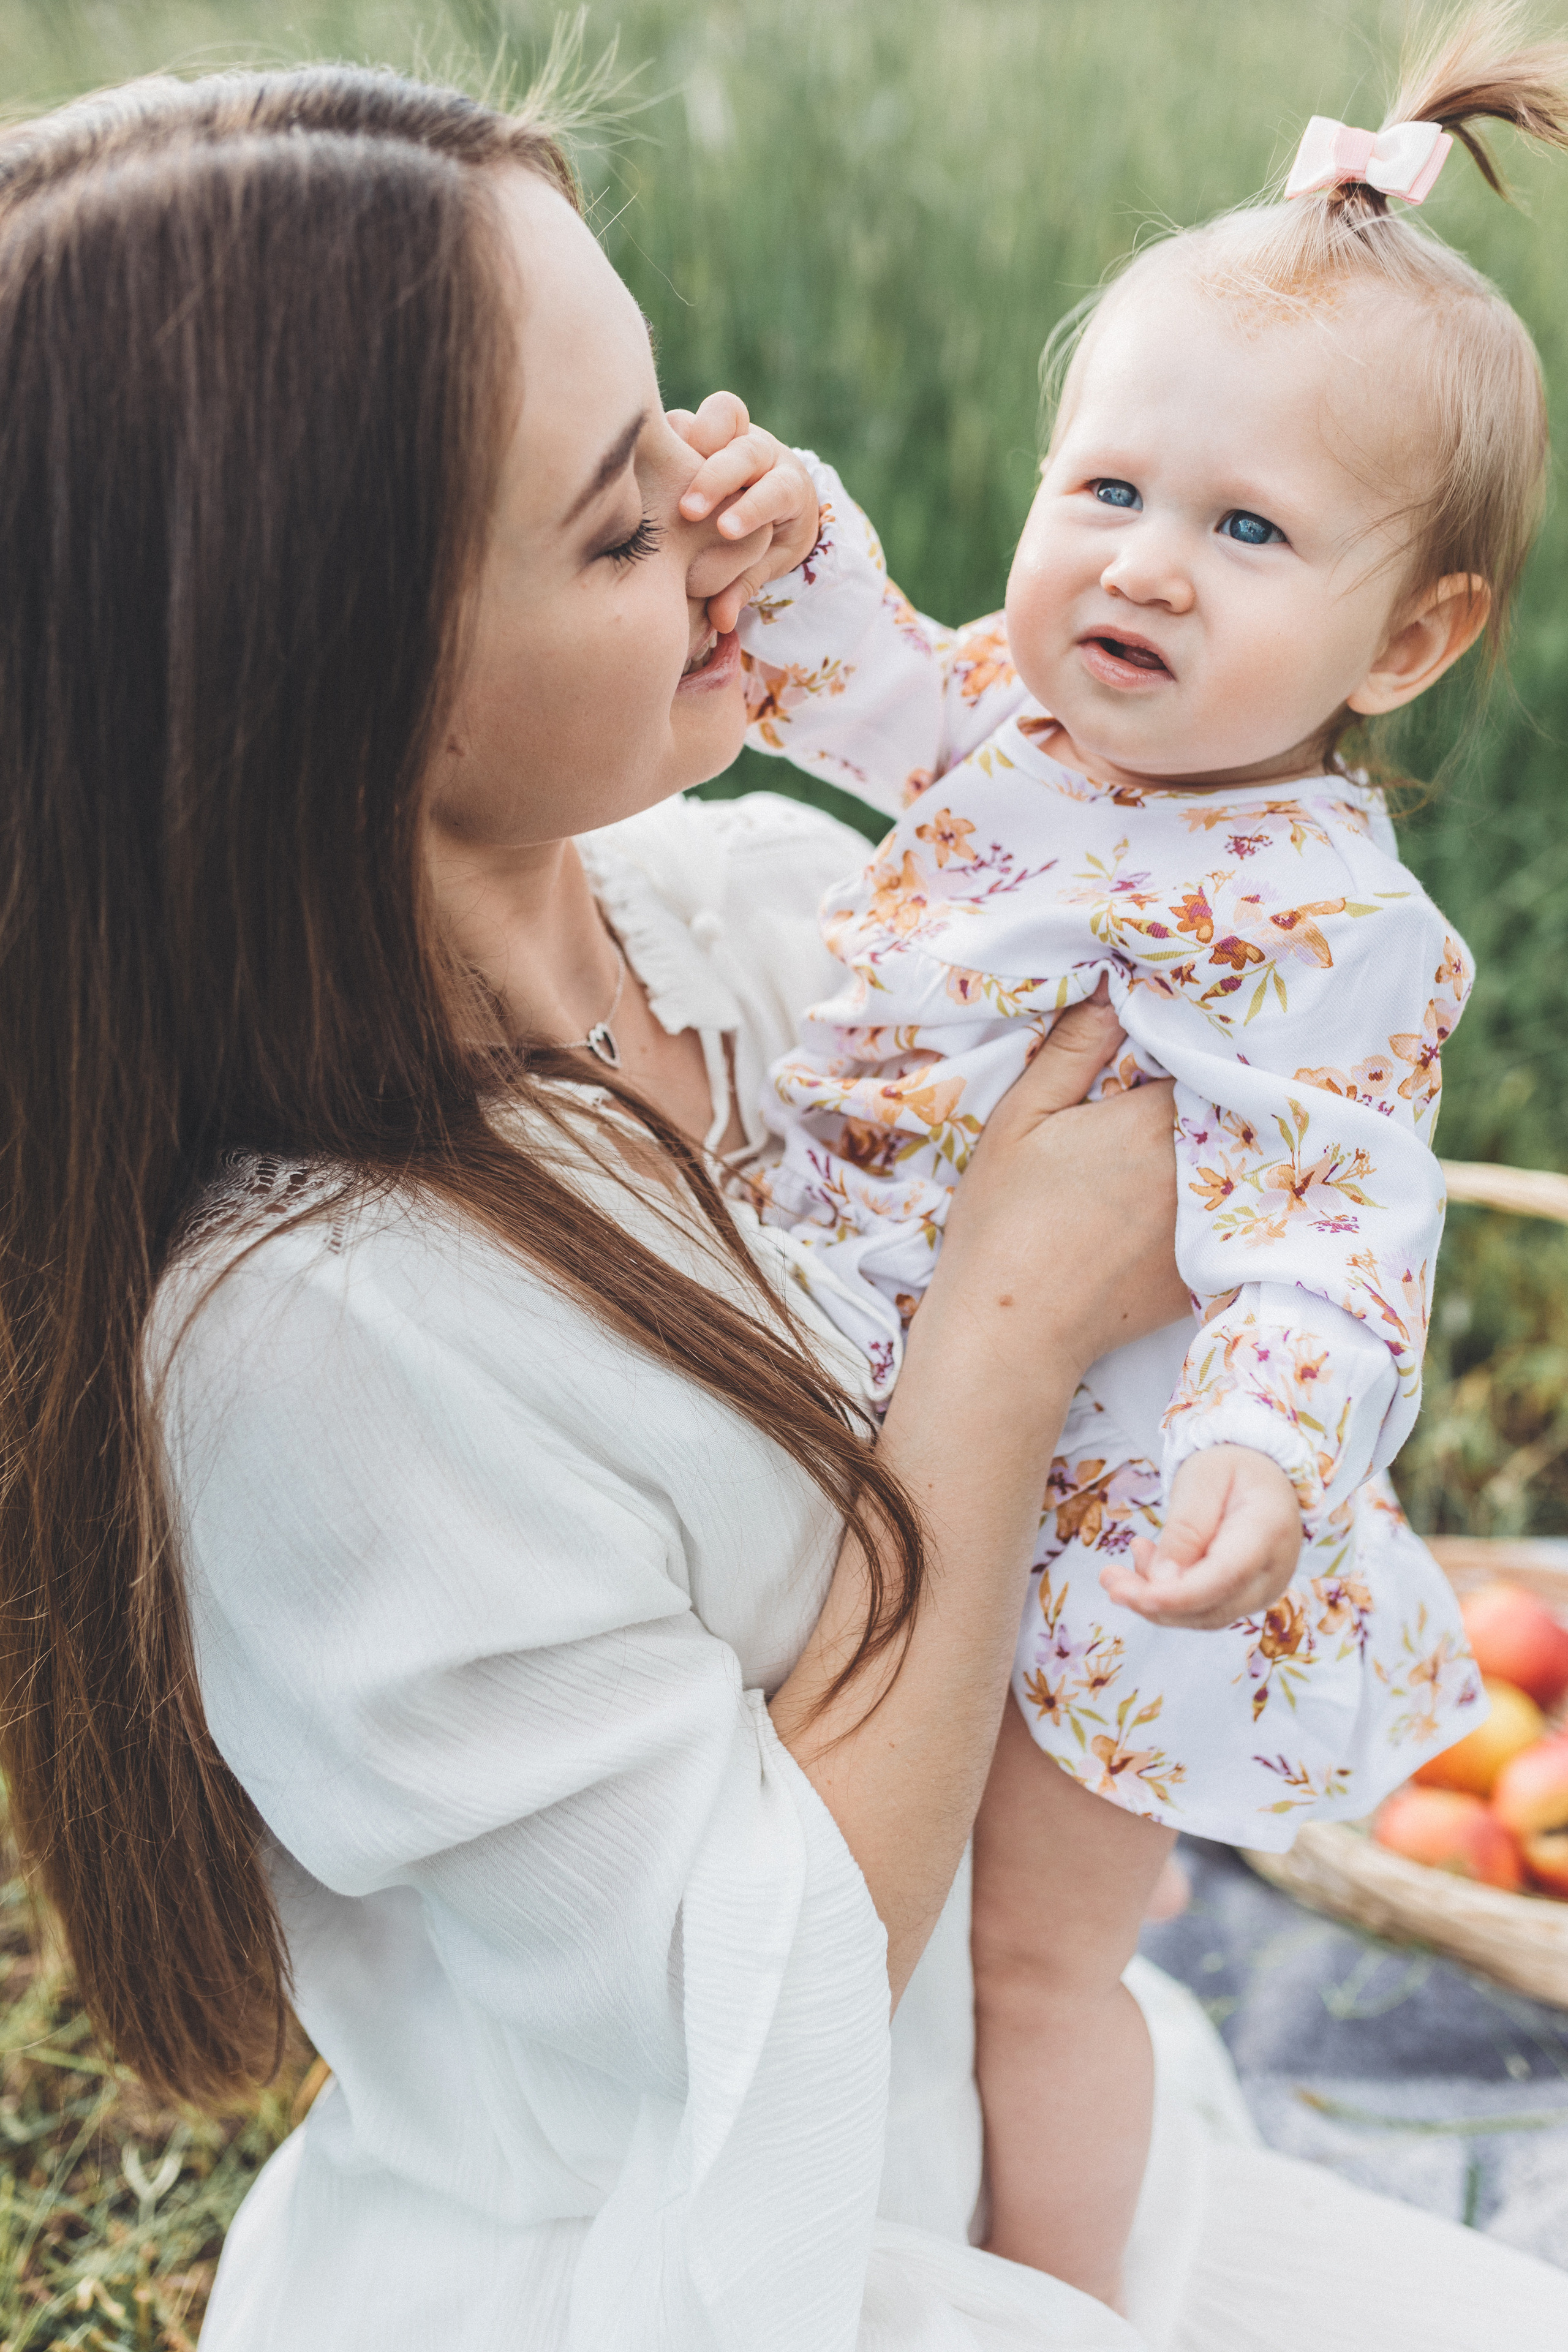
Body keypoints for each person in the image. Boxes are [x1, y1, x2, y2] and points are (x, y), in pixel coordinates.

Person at [0, 56, 1562, 2352]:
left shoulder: (749, 915)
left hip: (1026, 2134)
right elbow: (751, 2029)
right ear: (339, 681)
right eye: (625, 527)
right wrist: (1010, 1339)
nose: (739, 525)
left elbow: (1256, 1182)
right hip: (700, 2270)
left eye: (694, 446)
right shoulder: (327, 1333)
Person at [718, 2, 1567, 2309]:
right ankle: (841, 2229)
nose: (1145, 567)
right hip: (893, 1423)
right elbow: (863, 679)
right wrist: (783, 538)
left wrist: (1277, 1447)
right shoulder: (1009, 727)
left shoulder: (1335, 931)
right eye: (1106, 491)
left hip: (1118, 1528)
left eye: (1246, 528)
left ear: (1410, 637)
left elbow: (1335, 1232)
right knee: (853, 1903)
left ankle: (1053, 2301)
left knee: (1034, 1968)